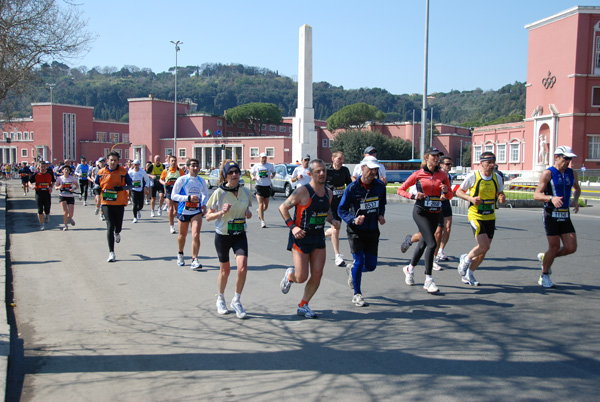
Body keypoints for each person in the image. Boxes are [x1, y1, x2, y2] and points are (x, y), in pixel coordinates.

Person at [279, 159, 339, 318]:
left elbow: (326, 213)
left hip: (318, 237)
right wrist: (293, 227)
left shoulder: (328, 192)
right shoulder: (302, 192)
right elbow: (283, 207)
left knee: (318, 274)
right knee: (302, 276)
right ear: (310, 173)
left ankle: (303, 305)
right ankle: (290, 276)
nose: (322, 174)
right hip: (301, 238)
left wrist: (332, 221)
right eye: (318, 171)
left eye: (324, 171)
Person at [397, 148, 452, 293]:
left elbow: (450, 195)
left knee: (422, 244)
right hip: (421, 212)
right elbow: (400, 190)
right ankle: (428, 279)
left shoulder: (442, 175)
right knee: (432, 243)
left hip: (435, 212)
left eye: (438, 156)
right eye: (433, 156)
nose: (436, 158)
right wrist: (414, 196)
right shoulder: (418, 174)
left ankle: (409, 268)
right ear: (426, 157)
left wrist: (446, 191)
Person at [206, 160, 253, 318]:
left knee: (242, 268)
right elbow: (208, 217)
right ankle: (220, 298)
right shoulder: (219, 193)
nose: (234, 175)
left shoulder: (246, 192)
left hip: (239, 234)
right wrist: (220, 212)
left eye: (236, 172)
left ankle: (237, 300)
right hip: (223, 235)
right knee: (225, 271)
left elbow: (247, 209)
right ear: (225, 176)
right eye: (230, 172)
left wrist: (248, 214)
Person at [337, 156, 386, 307]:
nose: (373, 172)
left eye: (375, 169)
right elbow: (341, 210)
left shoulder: (379, 186)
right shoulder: (352, 188)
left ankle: (353, 270)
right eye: (370, 169)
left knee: (371, 266)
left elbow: (381, 203)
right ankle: (357, 294)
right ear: (362, 168)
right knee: (359, 260)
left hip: (372, 230)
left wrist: (380, 215)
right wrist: (353, 219)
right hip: (355, 231)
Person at [533, 145, 580, 288]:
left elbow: (576, 188)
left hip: (565, 214)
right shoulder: (548, 173)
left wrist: (576, 200)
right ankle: (544, 275)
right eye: (565, 159)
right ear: (557, 157)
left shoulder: (572, 173)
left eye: (570, 159)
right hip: (550, 214)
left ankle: (545, 257)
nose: (568, 162)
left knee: (571, 247)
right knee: (554, 246)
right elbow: (536, 195)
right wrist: (551, 198)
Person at [455, 151, 505, 286]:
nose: (492, 165)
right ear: (481, 163)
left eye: (493, 162)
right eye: (488, 162)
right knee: (484, 245)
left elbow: (500, 192)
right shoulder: (473, 177)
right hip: (475, 215)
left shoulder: (497, 178)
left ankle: (469, 273)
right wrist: (471, 198)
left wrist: (502, 197)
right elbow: (458, 191)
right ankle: (466, 259)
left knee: (484, 250)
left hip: (490, 216)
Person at [170, 158, 209, 269]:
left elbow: (205, 193)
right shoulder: (182, 180)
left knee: (196, 235)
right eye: (193, 166)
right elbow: (174, 196)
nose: (195, 168)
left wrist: (204, 204)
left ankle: (194, 259)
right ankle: (180, 253)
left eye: (197, 165)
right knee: (182, 235)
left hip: (196, 211)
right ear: (187, 167)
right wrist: (188, 198)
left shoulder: (201, 181)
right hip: (183, 210)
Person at [96, 151, 133, 262]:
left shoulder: (123, 171)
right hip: (106, 202)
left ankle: (117, 233)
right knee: (109, 225)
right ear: (107, 160)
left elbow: (131, 185)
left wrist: (121, 188)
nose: (113, 162)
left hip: (119, 202)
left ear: (118, 161)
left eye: (115, 160)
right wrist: (97, 193)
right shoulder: (101, 172)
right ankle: (111, 252)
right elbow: (96, 185)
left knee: (118, 226)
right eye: (111, 160)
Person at [325, 151, 352, 267]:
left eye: (342, 159)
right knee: (336, 228)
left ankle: (323, 235)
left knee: (336, 228)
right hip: (330, 204)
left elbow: (350, 185)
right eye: (339, 159)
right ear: (333, 159)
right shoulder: (326, 171)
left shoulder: (345, 170)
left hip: (342, 204)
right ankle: (337, 256)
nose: (341, 161)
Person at [435, 156, 455, 262]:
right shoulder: (437, 175)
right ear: (441, 165)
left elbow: (450, 191)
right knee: (437, 231)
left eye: (450, 164)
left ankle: (440, 251)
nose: (449, 166)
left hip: (446, 202)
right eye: (447, 164)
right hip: (437, 203)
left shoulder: (450, 177)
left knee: (447, 228)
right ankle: (411, 240)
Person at [160, 155, 186, 234]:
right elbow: (160, 179)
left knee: (177, 211)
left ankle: (171, 218)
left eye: (175, 161)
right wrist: (164, 183)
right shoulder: (166, 171)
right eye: (172, 161)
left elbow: (185, 179)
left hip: (177, 192)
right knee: (170, 209)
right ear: (169, 162)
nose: (173, 162)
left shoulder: (180, 171)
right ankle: (172, 226)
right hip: (169, 192)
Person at [249, 152, 276, 228]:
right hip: (259, 186)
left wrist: (272, 175)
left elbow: (274, 172)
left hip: (267, 186)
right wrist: (253, 177)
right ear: (259, 158)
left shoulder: (270, 165)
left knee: (265, 206)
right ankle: (262, 221)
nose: (263, 159)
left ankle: (259, 211)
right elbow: (251, 173)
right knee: (260, 204)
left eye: (265, 158)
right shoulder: (256, 166)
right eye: (262, 157)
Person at [29, 161, 55, 231]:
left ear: (46, 167)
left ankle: (47, 215)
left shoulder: (49, 174)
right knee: (40, 210)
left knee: (47, 208)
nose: (42, 168)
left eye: (44, 167)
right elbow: (29, 182)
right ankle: (42, 224)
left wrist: (51, 187)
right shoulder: (36, 174)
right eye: (41, 167)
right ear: (38, 167)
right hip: (38, 193)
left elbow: (53, 181)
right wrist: (32, 186)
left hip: (47, 193)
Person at [54, 165, 79, 231]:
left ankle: (70, 218)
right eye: (65, 169)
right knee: (65, 212)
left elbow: (77, 186)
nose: (66, 171)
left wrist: (74, 189)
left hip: (70, 196)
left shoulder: (72, 178)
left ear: (69, 171)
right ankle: (65, 225)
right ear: (62, 171)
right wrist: (58, 187)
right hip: (62, 196)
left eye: (68, 170)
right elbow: (55, 187)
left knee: (71, 213)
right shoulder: (60, 178)